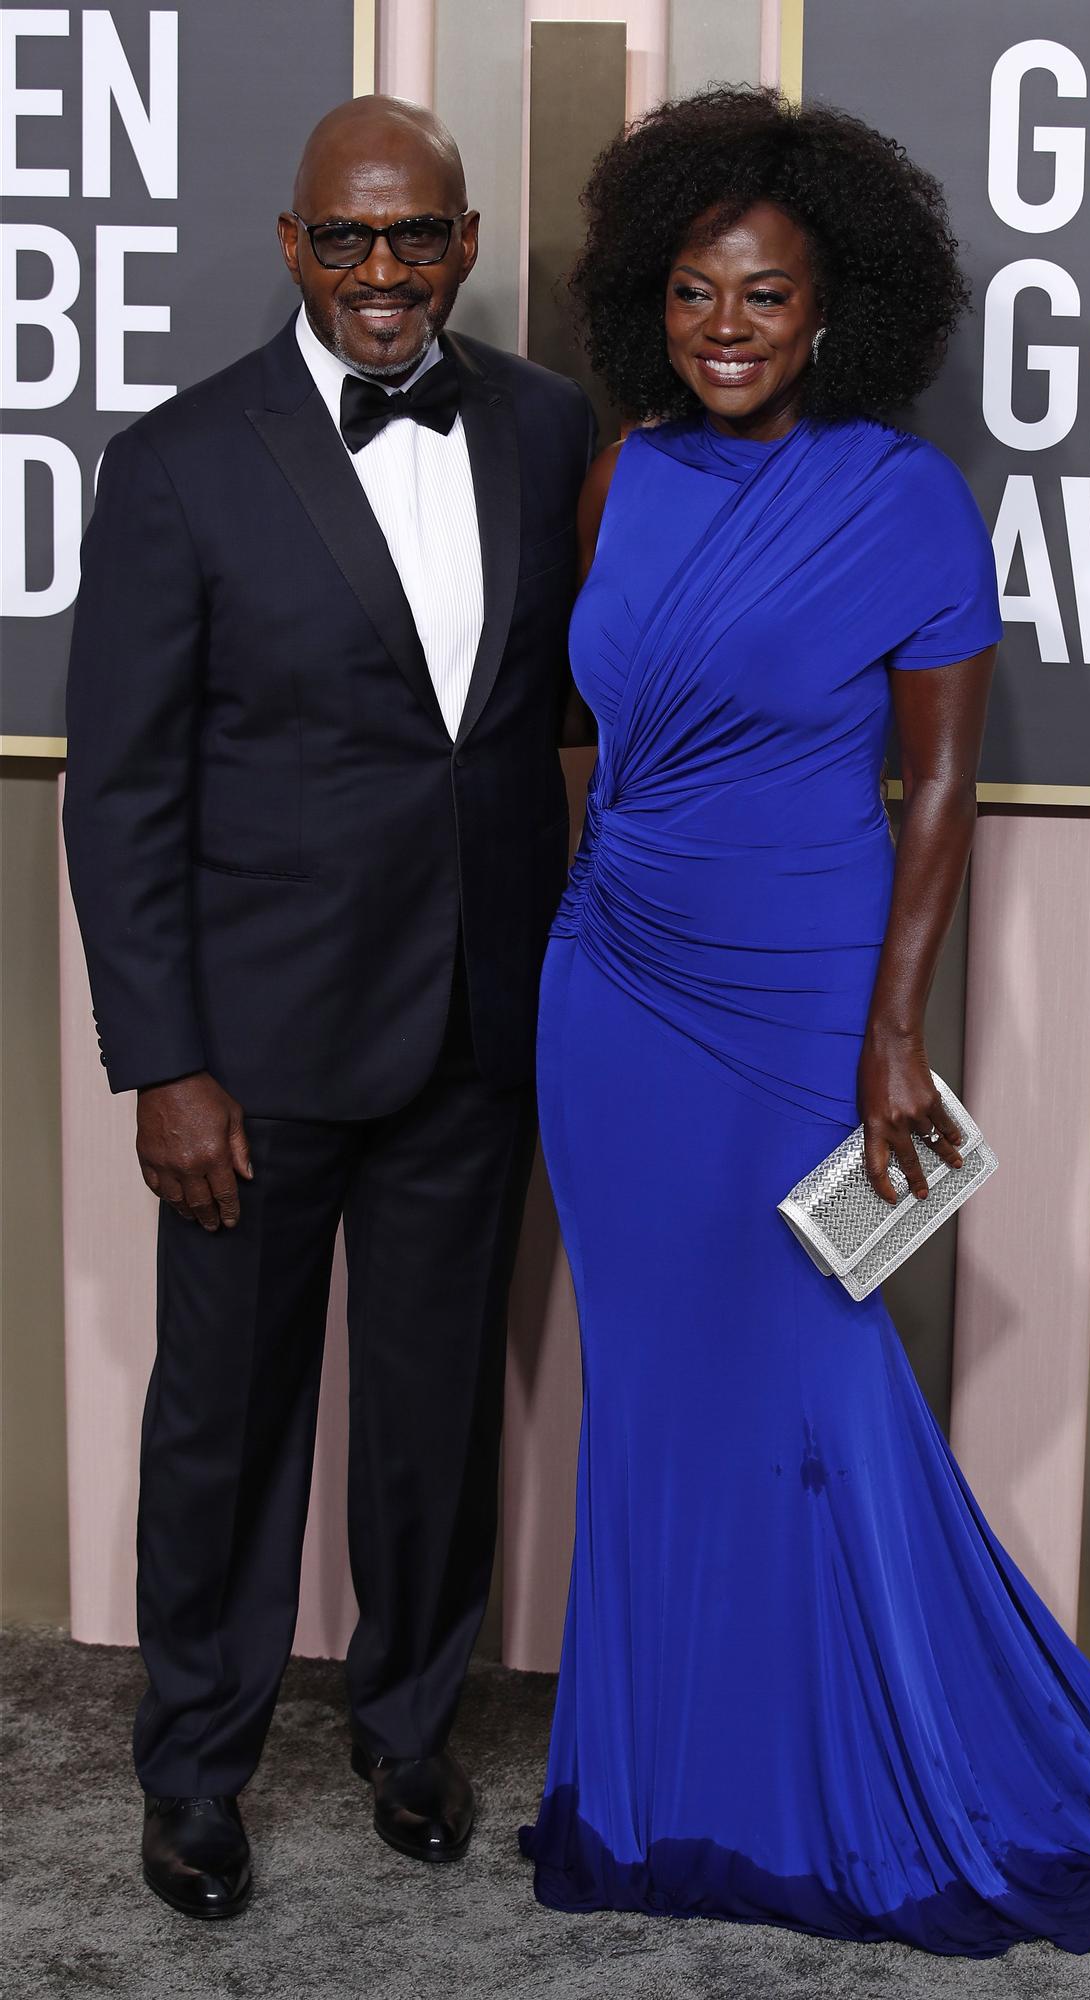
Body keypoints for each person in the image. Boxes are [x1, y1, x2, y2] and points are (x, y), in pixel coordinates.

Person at [517, 87, 1090, 1957]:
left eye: (767, 296)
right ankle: (653, 1785)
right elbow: (601, 730)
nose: (728, 326)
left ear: (835, 310)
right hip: (610, 986)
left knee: (806, 1378)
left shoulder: (903, 500)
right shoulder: (622, 474)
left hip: (794, 993)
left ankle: (867, 1768)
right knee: (651, 1398)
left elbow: (939, 797)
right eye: (698, 289)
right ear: (651, 296)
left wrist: (893, 1038)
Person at [63, 96, 592, 1919]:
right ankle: (195, 1769)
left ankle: (410, 1721)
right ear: (292, 245)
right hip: (255, 1053)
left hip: (473, 1028)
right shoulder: (184, 461)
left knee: (435, 1411)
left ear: (463, 240)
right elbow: (119, 792)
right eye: (349, 240)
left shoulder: (542, 420)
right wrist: (166, 1063)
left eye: (420, 237)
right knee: (225, 1418)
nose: (387, 273)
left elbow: (549, 732)